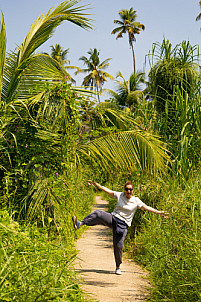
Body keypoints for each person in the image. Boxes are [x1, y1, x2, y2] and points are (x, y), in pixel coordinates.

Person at [73, 180, 169, 275]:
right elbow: (107, 190)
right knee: (98, 213)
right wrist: (97, 185)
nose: (129, 191)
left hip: (123, 225)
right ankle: (80, 224)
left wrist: (159, 212)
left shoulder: (136, 201)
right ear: (124, 190)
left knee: (118, 246)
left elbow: (147, 207)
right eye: (127, 189)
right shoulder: (120, 195)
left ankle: (118, 267)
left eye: (130, 189)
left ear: (133, 190)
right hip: (113, 218)